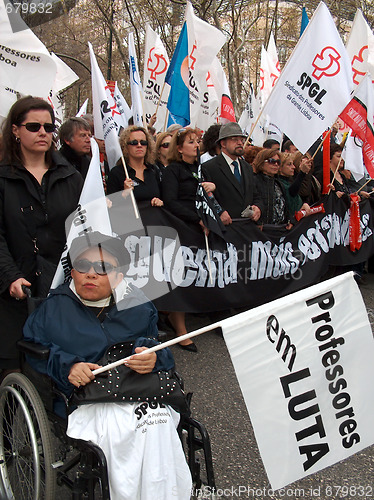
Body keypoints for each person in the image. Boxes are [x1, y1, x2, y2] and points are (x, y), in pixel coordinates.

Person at [23, 232, 192, 500]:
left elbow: (159, 348)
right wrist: (68, 367)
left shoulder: (138, 305)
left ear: (119, 275)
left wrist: (153, 357)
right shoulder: (53, 309)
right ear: (73, 272)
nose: (90, 274)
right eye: (83, 266)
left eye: (103, 267)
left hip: (140, 389)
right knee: (127, 432)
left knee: (157, 424)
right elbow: (34, 351)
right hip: (87, 397)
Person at [0, 96, 83, 377]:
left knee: (58, 363)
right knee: (13, 367)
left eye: (49, 127)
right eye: (33, 126)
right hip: (13, 289)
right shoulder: (2, 177)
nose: (43, 133)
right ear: (15, 130)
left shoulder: (71, 176)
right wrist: (9, 275)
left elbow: (82, 229)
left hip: (61, 285)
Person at [161, 127, 216, 352]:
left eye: (197, 141)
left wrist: (213, 188)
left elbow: (210, 196)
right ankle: (180, 329)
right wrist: (196, 219)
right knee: (180, 275)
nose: (196, 145)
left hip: (200, 227)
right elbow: (171, 201)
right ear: (180, 148)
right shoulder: (173, 170)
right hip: (182, 227)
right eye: (191, 142)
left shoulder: (202, 169)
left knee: (197, 271)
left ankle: (181, 316)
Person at [202, 122, 262, 224]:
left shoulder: (247, 167)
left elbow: (255, 194)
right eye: (234, 139)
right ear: (223, 143)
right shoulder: (209, 167)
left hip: (247, 228)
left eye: (241, 139)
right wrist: (219, 212)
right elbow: (206, 197)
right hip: (225, 229)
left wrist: (258, 208)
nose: (240, 143)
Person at [106, 125, 163, 207]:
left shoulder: (154, 170)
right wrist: (124, 194)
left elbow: (164, 197)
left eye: (143, 142)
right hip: (130, 218)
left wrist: (160, 202)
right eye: (134, 143)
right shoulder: (117, 173)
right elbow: (111, 206)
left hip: (154, 216)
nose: (139, 145)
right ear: (126, 146)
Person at [253, 148, 289, 225]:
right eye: (271, 161)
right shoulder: (253, 181)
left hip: (279, 229)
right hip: (261, 229)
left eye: (278, 162)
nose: (276, 164)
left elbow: (285, 207)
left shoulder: (279, 184)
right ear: (261, 163)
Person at [278, 153, 311, 221]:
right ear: (280, 167)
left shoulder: (288, 181)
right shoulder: (279, 183)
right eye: (289, 164)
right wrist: (302, 173)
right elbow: (292, 192)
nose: (293, 167)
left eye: (293, 164)